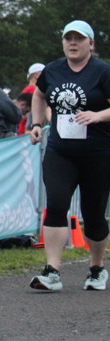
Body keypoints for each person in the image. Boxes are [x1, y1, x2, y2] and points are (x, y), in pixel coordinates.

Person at [28, 20, 110, 292]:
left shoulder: (102, 72)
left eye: (79, 38)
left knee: (94, 214)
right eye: (68, 38)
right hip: (60, 151)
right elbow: (39, 95)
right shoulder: (52, 70)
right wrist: (36, 123)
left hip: (97, 153)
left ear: (91, 43)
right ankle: (52, 271)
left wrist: (98, 116)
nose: (73, 43)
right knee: (56, 204)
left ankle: (97, 267)